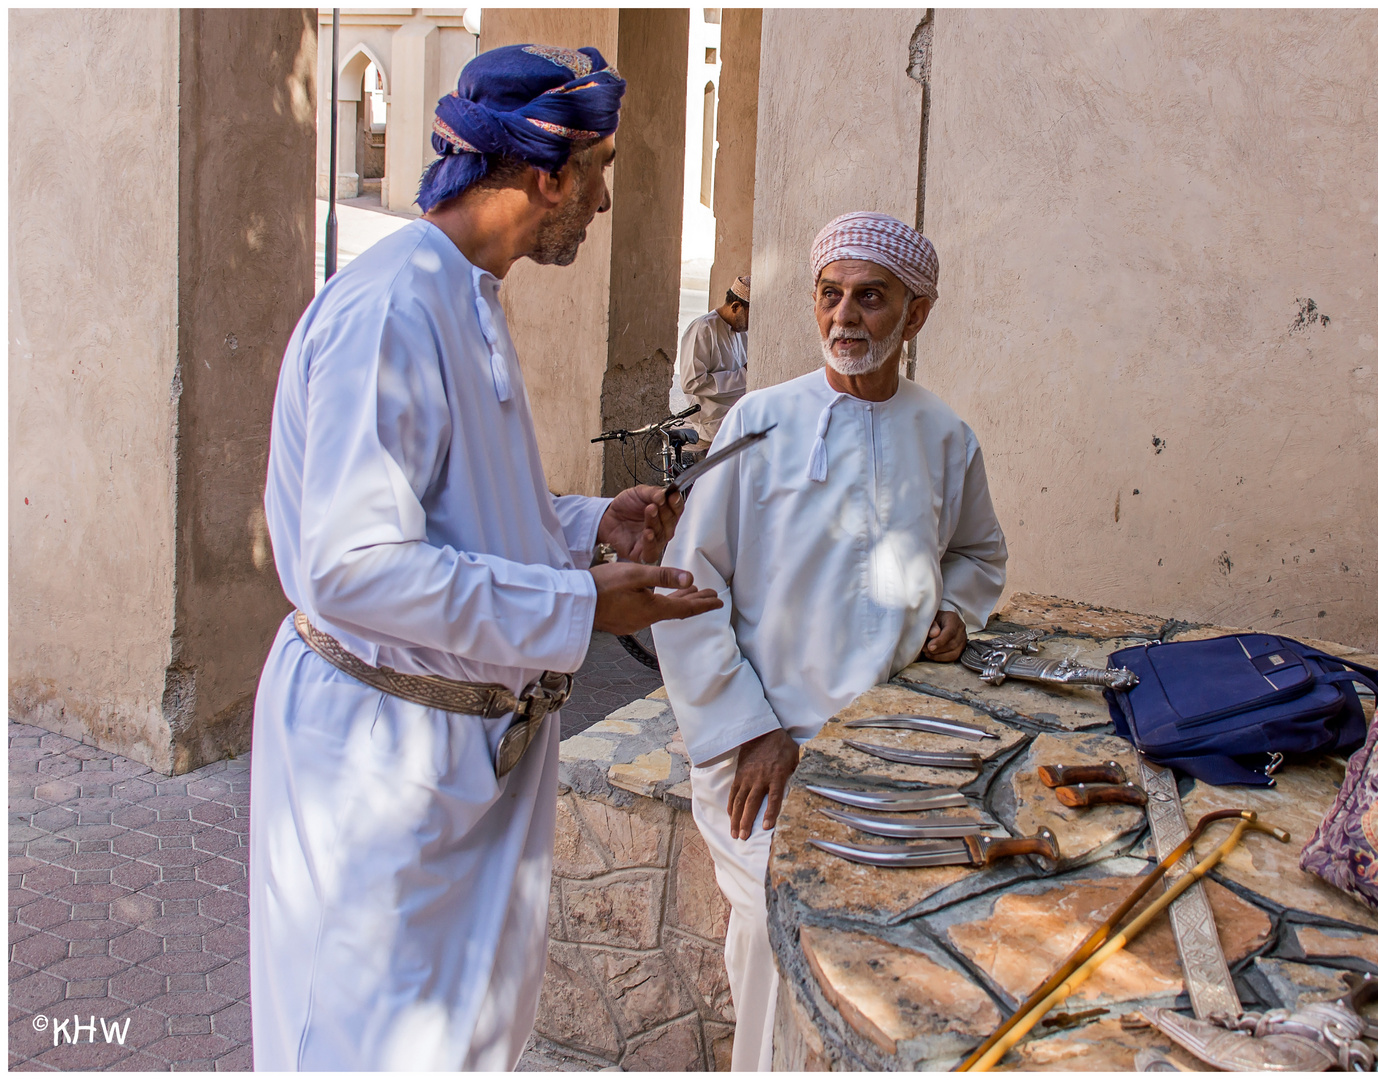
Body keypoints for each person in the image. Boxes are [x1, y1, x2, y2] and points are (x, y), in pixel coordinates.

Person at [249, 44, 721, 1071]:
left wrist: (590, 526)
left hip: (464, 766)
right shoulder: (392, 312)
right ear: (544, 176)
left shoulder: (466, 293)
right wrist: (579, 609)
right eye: (595, 173)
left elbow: (461, 521)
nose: (602, 202)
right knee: (371, 1046)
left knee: (466, 1046)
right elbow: (352, 565)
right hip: (382, 765)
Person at [652, 212, 1009, 1070]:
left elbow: (977, 554)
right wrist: (750, 729)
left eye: (871, 299)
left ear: (915, 316)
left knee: (882, 976)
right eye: (830, 295)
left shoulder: (945, 436)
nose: (845, 317)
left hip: (889, 754)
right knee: (780, 957)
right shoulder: (759, 424)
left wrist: (954, 611)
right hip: (763, 755)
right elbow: (687, 591)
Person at [673, 274, 750, 447]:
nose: (750, 324)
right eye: (750, 316)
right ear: (736, 306)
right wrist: (743, 375)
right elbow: (691, 382)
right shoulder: (702, 328)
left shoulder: (741, 332)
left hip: (737, 423)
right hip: (711, 428)